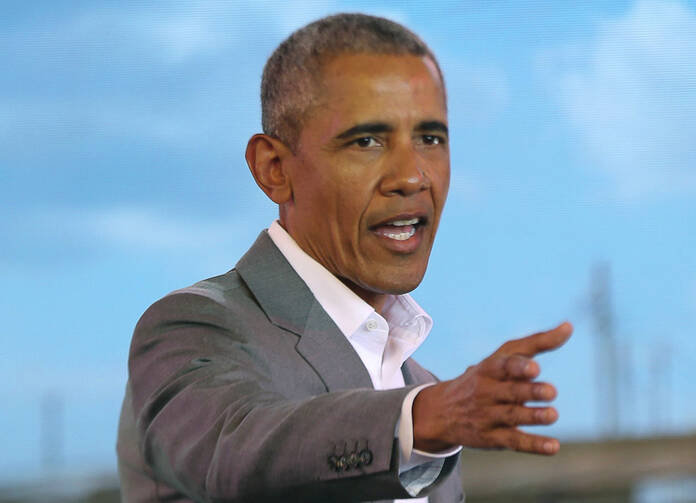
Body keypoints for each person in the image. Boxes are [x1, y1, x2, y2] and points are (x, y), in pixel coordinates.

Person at [117, 13, 572, 503]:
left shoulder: (423, 388)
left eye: (430, 138)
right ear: (274, 169)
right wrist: (424, 420)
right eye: (367, 141)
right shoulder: (193, 327)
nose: (412, 176)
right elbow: (235, 452)